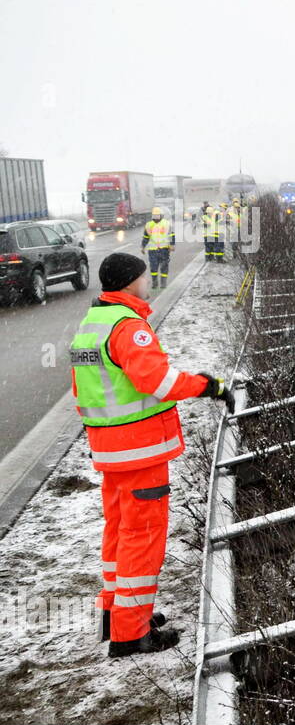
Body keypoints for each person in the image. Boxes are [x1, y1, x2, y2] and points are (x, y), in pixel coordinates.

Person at [69, 253, 233, 657]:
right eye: (143, 277)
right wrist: (207, 386)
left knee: (119, 533)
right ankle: (131, 634)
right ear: (129, 283)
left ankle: (114, 615)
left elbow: (85, 392)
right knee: (142, 539)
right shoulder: (128, 327)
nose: (148, 282)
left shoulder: (92, 324)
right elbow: (156, 381)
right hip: (140, 452)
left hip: (111, 454)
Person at [140, 207, 175, 289]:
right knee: (153, 268)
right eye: (154, 216)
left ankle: (163, 283)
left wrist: (172, 245)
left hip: (164, 249)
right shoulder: (149, 225)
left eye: (157, 216)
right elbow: (146, 237)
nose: (156, 218)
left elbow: (171, 235)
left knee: (164, 266)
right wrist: (143, 246)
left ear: (161, 216)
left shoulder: (166, 224)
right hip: (153, 250)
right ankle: (155, 282)